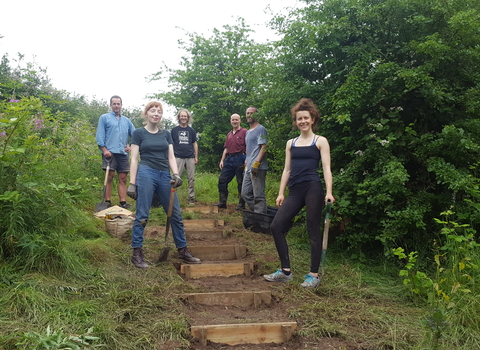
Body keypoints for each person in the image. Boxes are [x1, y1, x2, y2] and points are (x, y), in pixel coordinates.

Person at [263, 98, 334, 289]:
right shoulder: (291, 143)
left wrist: (329, 192)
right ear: (295, 121)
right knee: (276, 225)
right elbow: (287, 170)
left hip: (312, 188)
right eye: (298, 118)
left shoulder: (320, 141)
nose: (302, 121)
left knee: (312, 229)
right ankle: (285, 271)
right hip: (295, 189)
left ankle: (313, 274)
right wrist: (280, 193)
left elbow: (327, 168)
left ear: (312, 119)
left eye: (305, 118)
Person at [127, 101, 201, 269]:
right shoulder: (138, 133)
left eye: (159, 111)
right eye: (152, 111)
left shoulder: (166, 134)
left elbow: (171, 157)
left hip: (164, 175)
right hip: (146, 173)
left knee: (175, 213)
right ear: (146, 114)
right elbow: (134, 159)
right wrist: (132, 183)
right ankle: (137, 252)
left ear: (161, 115)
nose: (156, 113)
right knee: (142, 214)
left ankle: (182, 250)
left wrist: (175, 174)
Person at [96, 95, 136, 209]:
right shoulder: (104, 118)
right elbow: (100, 135)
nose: (116, 106)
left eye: (118, 104)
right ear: (110, 105)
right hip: (110, 153)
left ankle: (123, 202)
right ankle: (107, 201)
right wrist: (104, 150)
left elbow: (136, 135)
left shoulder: (126, 121)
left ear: (121, 105)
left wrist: (132, 147)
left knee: (123, 178)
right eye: (114, 104)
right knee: (109, 177)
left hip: (122, 153)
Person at [213, 113, 247, 210]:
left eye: (236, 119)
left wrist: (247, 159)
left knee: (241, 182)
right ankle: (222, 202)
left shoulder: (245, 132)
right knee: (222, 180)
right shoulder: (229, 134)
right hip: (229, 159)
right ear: (230, 121)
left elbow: (249, 146)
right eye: (233, 120)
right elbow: (226, 148)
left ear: (240, 120)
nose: (235, 121)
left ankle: (241, 204)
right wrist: (222, 160)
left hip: (240, 158)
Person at [241, 106, 268, 214]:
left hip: (258, 167)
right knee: (245, 194)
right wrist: (247, 161)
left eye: (252, 113)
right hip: (248, 167)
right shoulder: (248, 132)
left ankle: (261, 219)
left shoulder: (261, 129)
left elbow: (264, 147)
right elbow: (250, 148)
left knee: (258, 195)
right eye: (247, 113)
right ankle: (259, 213)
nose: (249, 115)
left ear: (257, 115)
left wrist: (257, 163)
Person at [171, 109, 198, 206]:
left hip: (190, 156)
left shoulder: (191, 130)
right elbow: (171, 144)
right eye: (182, 116)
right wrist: (171, 157)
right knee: (175, 178)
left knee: (191, 178)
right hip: (178, 157)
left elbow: (194, 143)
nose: (183, 118)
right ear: (179, 117)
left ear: (188, 118)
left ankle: (191, 198)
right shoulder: (174, 130)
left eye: (185, 116)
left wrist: (196, 156)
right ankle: (173, 199)